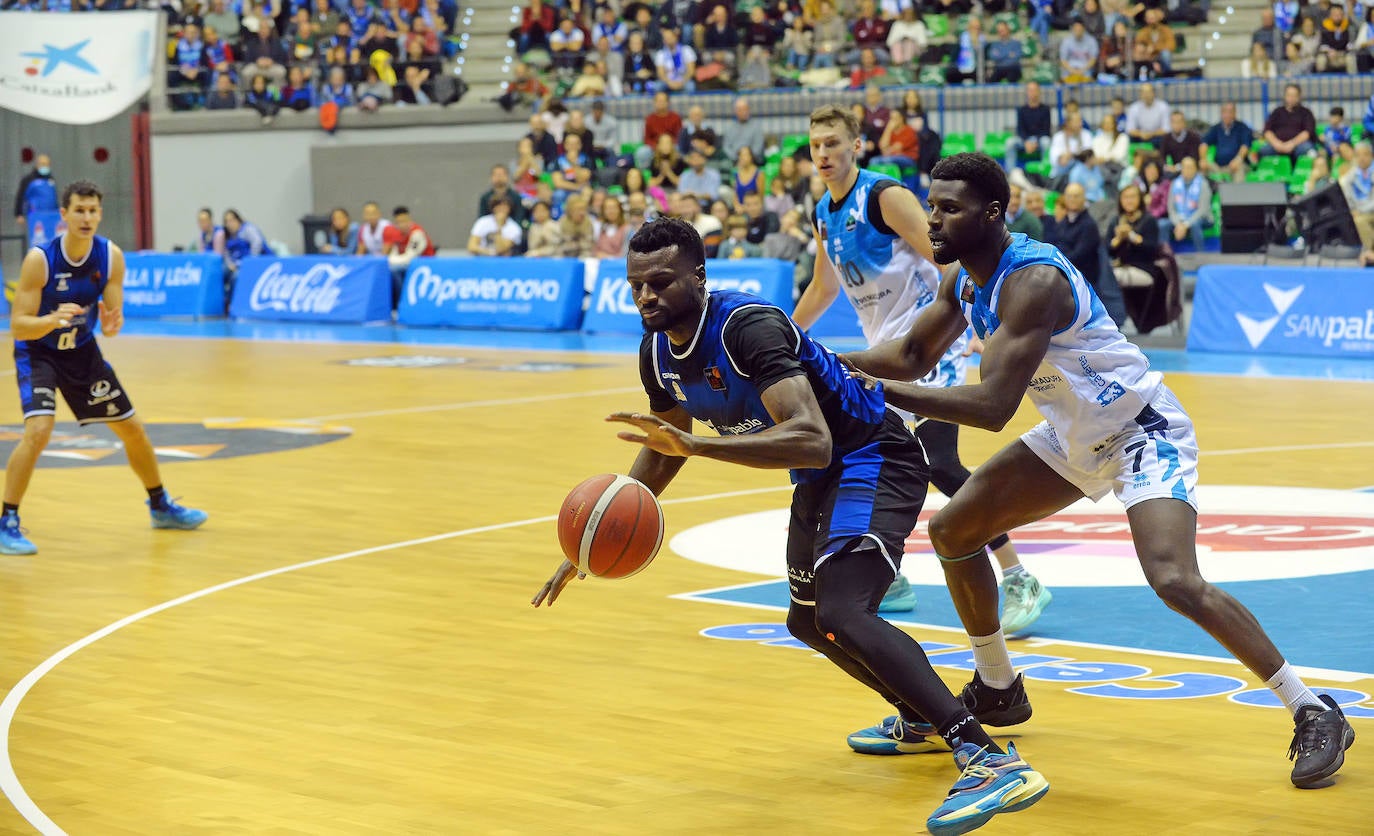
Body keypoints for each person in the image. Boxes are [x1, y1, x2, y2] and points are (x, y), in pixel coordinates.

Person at [841, 151, 1356, 790]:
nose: (933, 223)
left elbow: (993, 407)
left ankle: (1312, 708)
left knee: (1174, 579)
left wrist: (872, 388)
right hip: (1071, 434)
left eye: (949, 210)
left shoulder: (1033, 281)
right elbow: (914, 353)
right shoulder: (964, 280)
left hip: (1140, 430)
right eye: (932, 206)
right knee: (953, 532)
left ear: (992, 214)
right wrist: (824, 363)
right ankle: (998, 685)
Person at [532, 217, 1050, 835]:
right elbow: (666, 440)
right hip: (820, 475)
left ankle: (986, 756)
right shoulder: (655, 352)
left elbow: (809, 437)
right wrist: (590, 540)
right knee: (806, 620)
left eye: (662, 282)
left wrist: (698, 450)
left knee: (844, 611)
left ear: (699, 276)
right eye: (636, 285)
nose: (647, 296)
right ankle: (920, 717)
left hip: (871, 454)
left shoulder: (747, 328)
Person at [791, 105, 1050, 630]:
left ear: (856, 145)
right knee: (854, 455)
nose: (824, 153)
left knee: (939, 464)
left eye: (833, 143)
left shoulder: (884, 196)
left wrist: (980, 328)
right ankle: (889, 578)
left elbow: (949, 259)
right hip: (884, 354)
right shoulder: (823, 210)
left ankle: (1020, 577)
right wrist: (786, 340)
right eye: (816, 145)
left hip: (927, 347)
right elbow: (823, 288)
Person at [2, 180, 207, 555]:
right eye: (79, 210)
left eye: (93, 210)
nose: (87, 217)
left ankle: (160, 506)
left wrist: (113, 326)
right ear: (64, 215)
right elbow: (17, 326)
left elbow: (112, 320)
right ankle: (7, 520)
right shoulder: (40, 259)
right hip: (39, 352)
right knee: (39, 430)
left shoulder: (110, 257)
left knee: (132, 428)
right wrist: (50, 319)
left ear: (100, 214)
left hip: (82, 352)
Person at [1108, 183, 1171, 333]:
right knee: (1103, 275)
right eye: (1125, 197)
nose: (1129, 201)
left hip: (1143, 268)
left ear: (1140, 200)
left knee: (1108, 279)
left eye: (1132, 197)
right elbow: (1108, 251)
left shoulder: (1149, 221)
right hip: (1119, 266)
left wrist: (1132, 237)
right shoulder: (1115, 221)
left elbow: (1152, 250)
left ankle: (1115, 319)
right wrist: (1117, 239)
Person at [1200, 102, 1254, 183]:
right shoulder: (1216, 128)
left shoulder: (1242, 128)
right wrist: (1203, 159)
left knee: (1239, 168)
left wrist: (1238, 159)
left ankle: (1237, 194)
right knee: (1203, 167)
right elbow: (1204, 144)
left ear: (1235, 113)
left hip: (1237, 164)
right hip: (1219, 166)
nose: (1227, 114)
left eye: (1230, 112)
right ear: (1221, 113)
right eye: (1225, 111)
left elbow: (1245, 146)